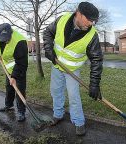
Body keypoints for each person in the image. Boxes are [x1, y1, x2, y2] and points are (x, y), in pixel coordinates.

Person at [43, 2, 103, 136]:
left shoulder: (92, 36)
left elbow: (97, 60)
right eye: (89, 19)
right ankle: (58, 115)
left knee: (73, 96)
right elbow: (47, 32)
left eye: (94, 21)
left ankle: (79, 122)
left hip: (72, 70)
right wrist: (48, 49)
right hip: (57, 65)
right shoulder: (62, 19)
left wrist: (94, 84)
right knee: (56, 91)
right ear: (79, 14)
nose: (92, 24)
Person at [0, 23, 28, 122]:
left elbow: (22, 63)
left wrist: (14, 77)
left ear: (11, 33)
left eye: (7, 38)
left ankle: (21, 112)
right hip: (8, 68)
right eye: (3, 38)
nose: (6, 40)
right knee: (9, 87)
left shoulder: (20, 41)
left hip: (19, 68)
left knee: (19, 89)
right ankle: (9, 105)